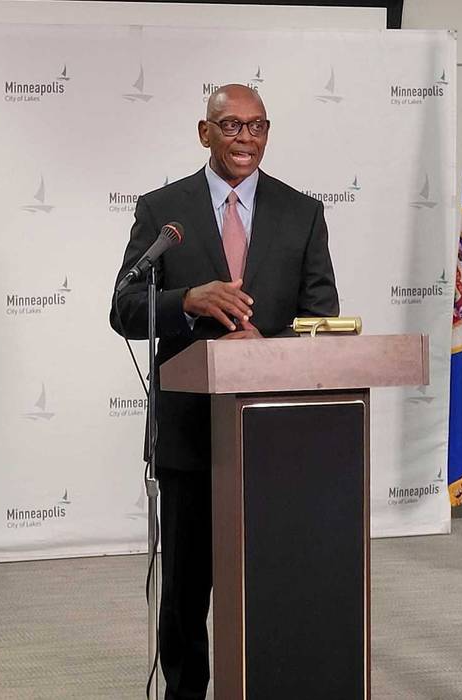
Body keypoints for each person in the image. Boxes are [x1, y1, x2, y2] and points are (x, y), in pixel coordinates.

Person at [109, 84, 338, 699]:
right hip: (189, 430)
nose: (247, 139)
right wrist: (187, 300)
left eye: (258, 126)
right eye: (232, 126)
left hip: (275, 434)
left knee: (272, 578)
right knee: (186, 586)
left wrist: (266, 342)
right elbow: (125, 309)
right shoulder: (164, 210)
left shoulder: (302, 211)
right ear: (204, 132)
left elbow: (323, 315)